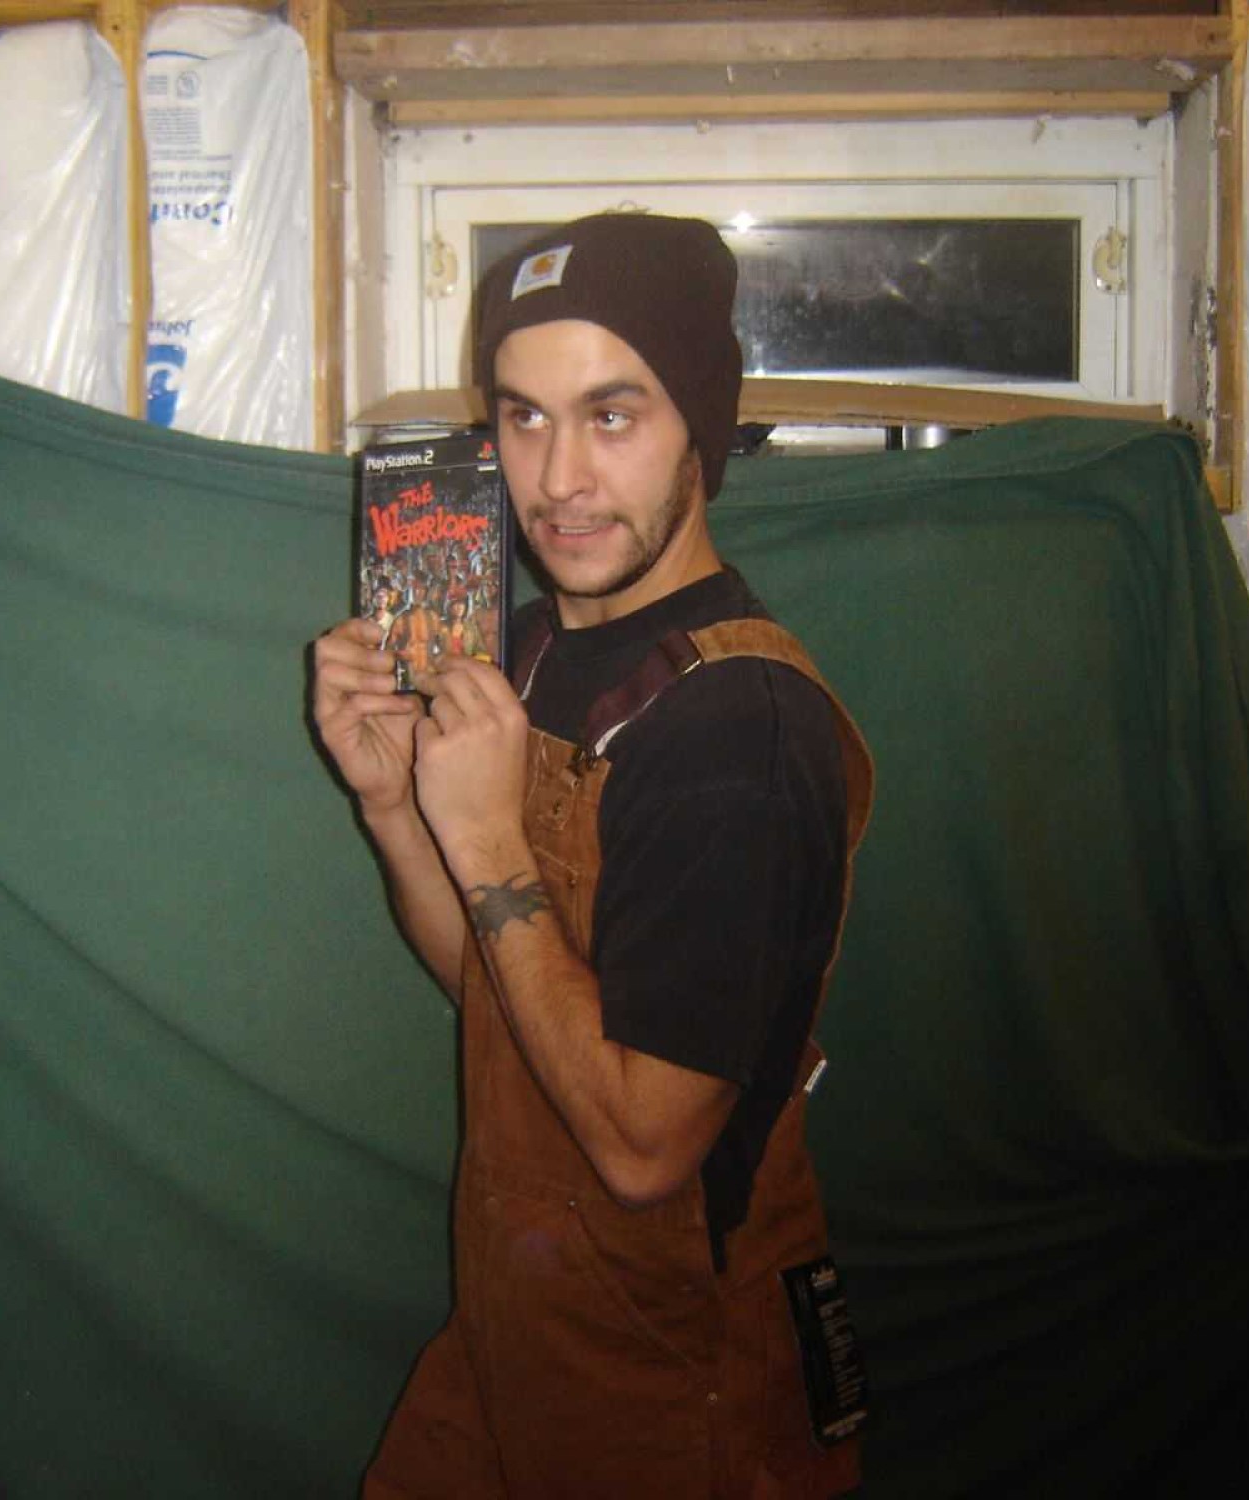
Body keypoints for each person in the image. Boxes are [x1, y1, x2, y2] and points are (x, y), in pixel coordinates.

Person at [310, 212, 874, 1498]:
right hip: (514, 1328)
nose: (557, 478)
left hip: (674, 1382)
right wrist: (393, 805)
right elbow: (501, 997)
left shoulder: (742, 728)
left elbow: (640, 1150)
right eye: (522, 417)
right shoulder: (525, 653)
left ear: (701, 428)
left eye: (611, 415)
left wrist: (484, 842)